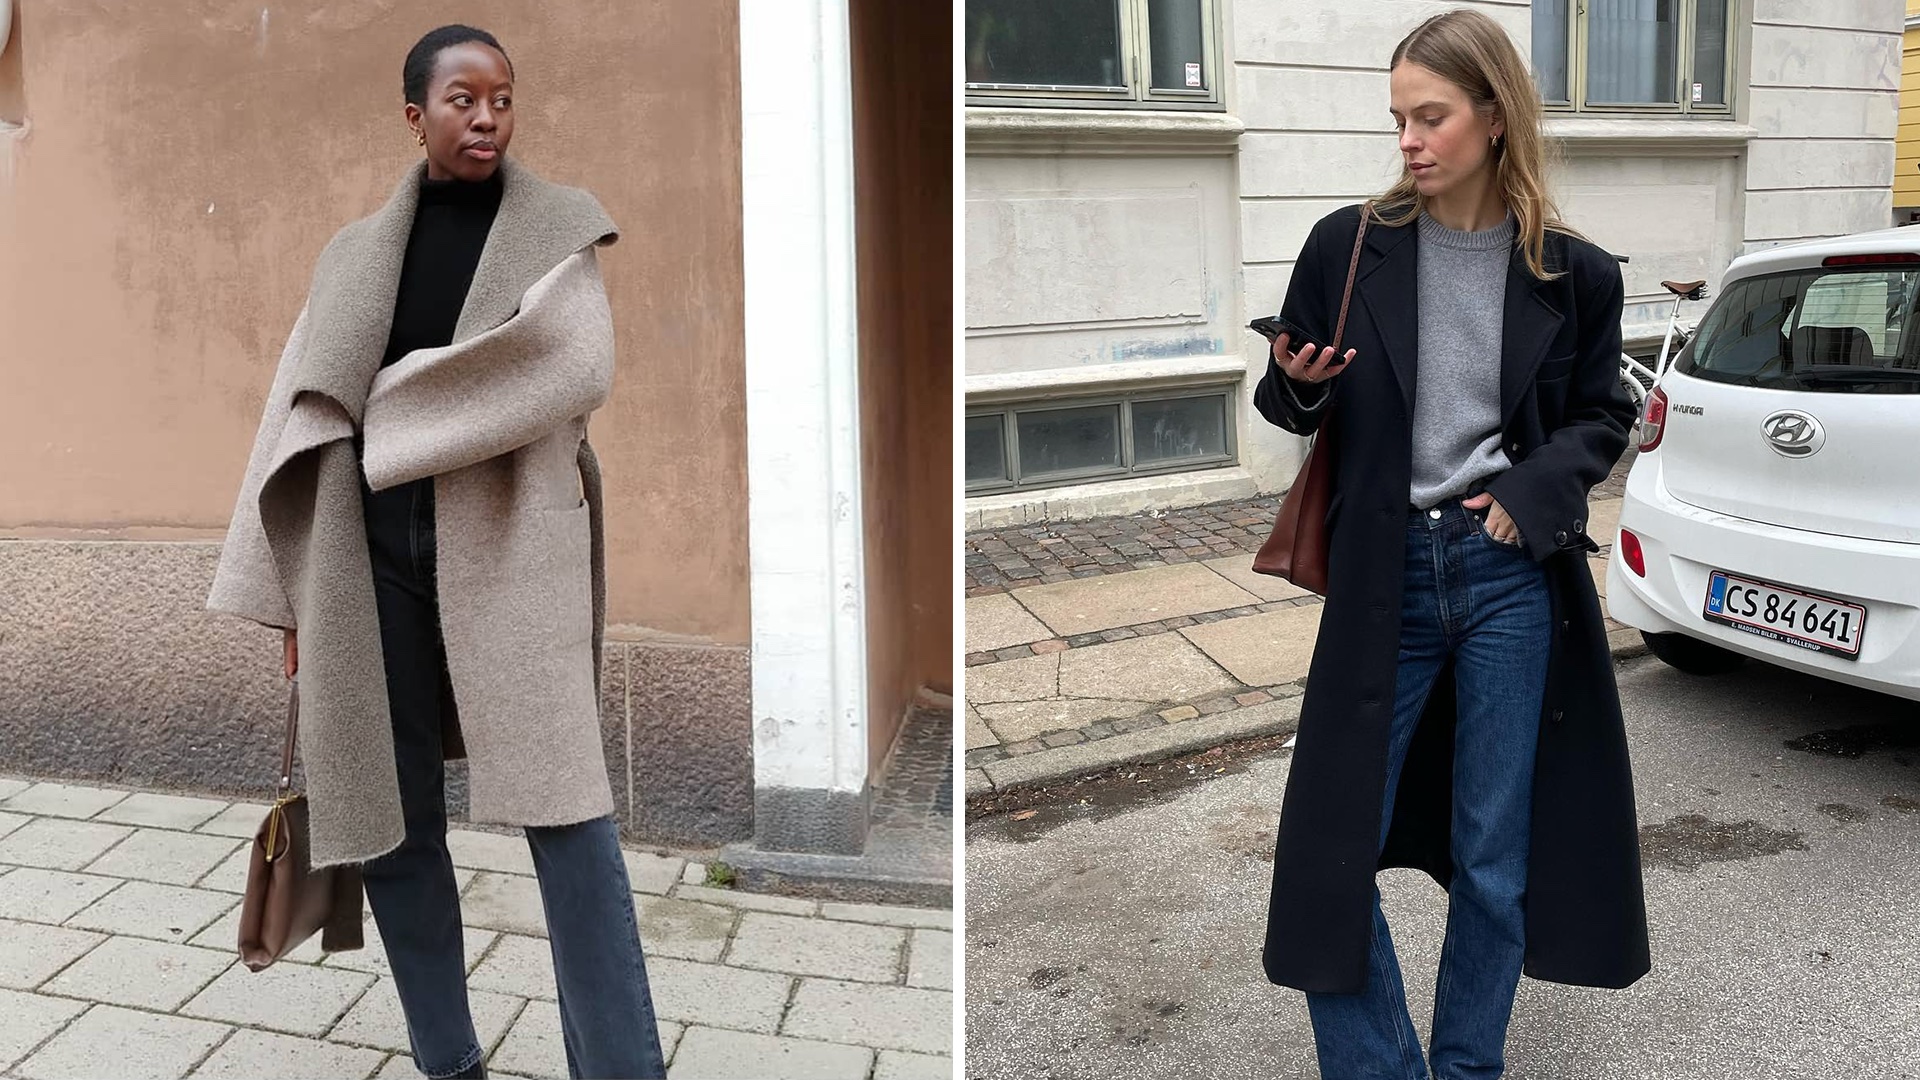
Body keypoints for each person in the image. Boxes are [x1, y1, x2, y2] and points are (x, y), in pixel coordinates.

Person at [207, 24, 666, 1080]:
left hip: (511, 545)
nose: (488, 118)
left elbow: (568, 367)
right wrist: (287, 602)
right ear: (416, 114)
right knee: (394, 820)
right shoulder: (355, 252)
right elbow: (296, 411)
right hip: (365, 560)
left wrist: (383, 414)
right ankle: (448, 1061)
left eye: (502, 98)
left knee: (570, 819)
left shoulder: (557, 228)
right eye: (463, 99)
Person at [1254, 10, 1650, 1078]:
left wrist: (1533, 488)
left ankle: (1470, 1065)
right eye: (1398, 119)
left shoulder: (1576, 275)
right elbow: (1287, 403)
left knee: (1493, 858)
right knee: (1330, 851)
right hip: (1385, 571)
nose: (1410, 141)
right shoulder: (1351, 245)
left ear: (1493, 116)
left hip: (1509, 575)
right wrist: (1298, 383)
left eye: (1430, 117)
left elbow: (1601, 418)